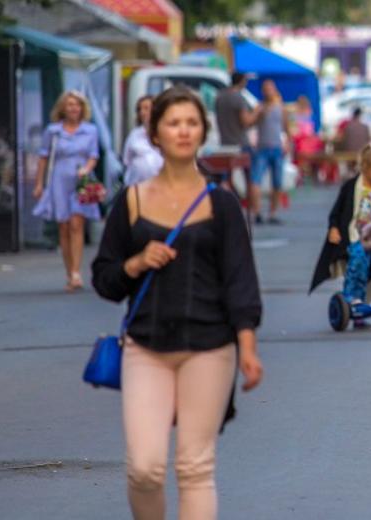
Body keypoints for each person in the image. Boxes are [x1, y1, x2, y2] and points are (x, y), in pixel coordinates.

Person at [91, 87, 264, 519]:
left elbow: (241, 280)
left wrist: (247, 347)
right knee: (145, 468)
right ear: (154, 134)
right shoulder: (130, 202)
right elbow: (105, 279)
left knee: (193, 466)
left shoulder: (222, 204)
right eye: (173, 123)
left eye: (191, 123)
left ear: (203, 132)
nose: (183, 131)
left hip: (209, 347)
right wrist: (135, 262)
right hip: (146, 347)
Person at [311, 147, 371, 329]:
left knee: (364, 273)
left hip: (370, 240)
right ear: (364, 168)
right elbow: (337, 211)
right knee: (355, 268)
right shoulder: (351, 187)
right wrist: (333, 228)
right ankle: (350, 301)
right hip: (352, 237)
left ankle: (358, 312)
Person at [33, 90, 103, 292]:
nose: (74, 108)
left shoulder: (90, 130)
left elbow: (94, 155)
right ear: (63, 108)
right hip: (59, 179)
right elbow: (43, 157)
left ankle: (76, 272)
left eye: (77, 104)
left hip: (81, 179)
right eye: (70, 104)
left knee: (76, 223)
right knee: (63, 225)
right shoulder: (53, 131)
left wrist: (87, 169)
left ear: (82, 108)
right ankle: (68, 270)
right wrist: (39, 184)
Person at [250, 81, 290, 225]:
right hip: (262, 147)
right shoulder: (259, 107)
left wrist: (288, 143)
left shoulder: (281, 107)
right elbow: (250, 122)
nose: (268, 92)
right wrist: (261, 113)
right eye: (265, 89)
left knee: (277, 182)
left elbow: (286, 127)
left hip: (277, 147)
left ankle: (273, 213)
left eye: (270, 89)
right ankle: (257, 212)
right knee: (256, 180)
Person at [213, 72, 261, 186]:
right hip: (240, 143)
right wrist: (257, 112)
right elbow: (246, 121)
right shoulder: (239, 98)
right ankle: (251, 203)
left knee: (226, 178)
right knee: (251, 178)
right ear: (242, 81)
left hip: (224, 143)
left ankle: (230, 200)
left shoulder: (220, 97)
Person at [122, 95, 163, 188]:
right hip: (136, 185)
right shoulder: (134, 134)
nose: (142, 112)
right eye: (140, 109)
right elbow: (127, 159)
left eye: (146, 108)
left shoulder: (164, 133)